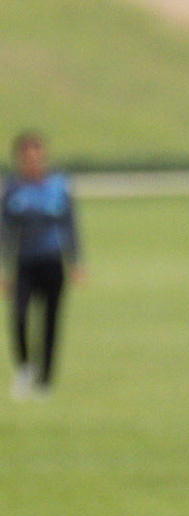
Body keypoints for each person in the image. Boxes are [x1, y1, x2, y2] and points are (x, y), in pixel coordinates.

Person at [3, 131, 82, 401]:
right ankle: (25, 368)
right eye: (28, 157)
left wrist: (76, 261)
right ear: (20, 159)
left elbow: (70, 225)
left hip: (52, 261)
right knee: (19, 317)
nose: (33, 162)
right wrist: (3, 267)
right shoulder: (13, 188)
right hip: (24, 263)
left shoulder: (58, 185)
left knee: (50, 322)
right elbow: (5, 230)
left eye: (38, 156)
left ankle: (45, 380)